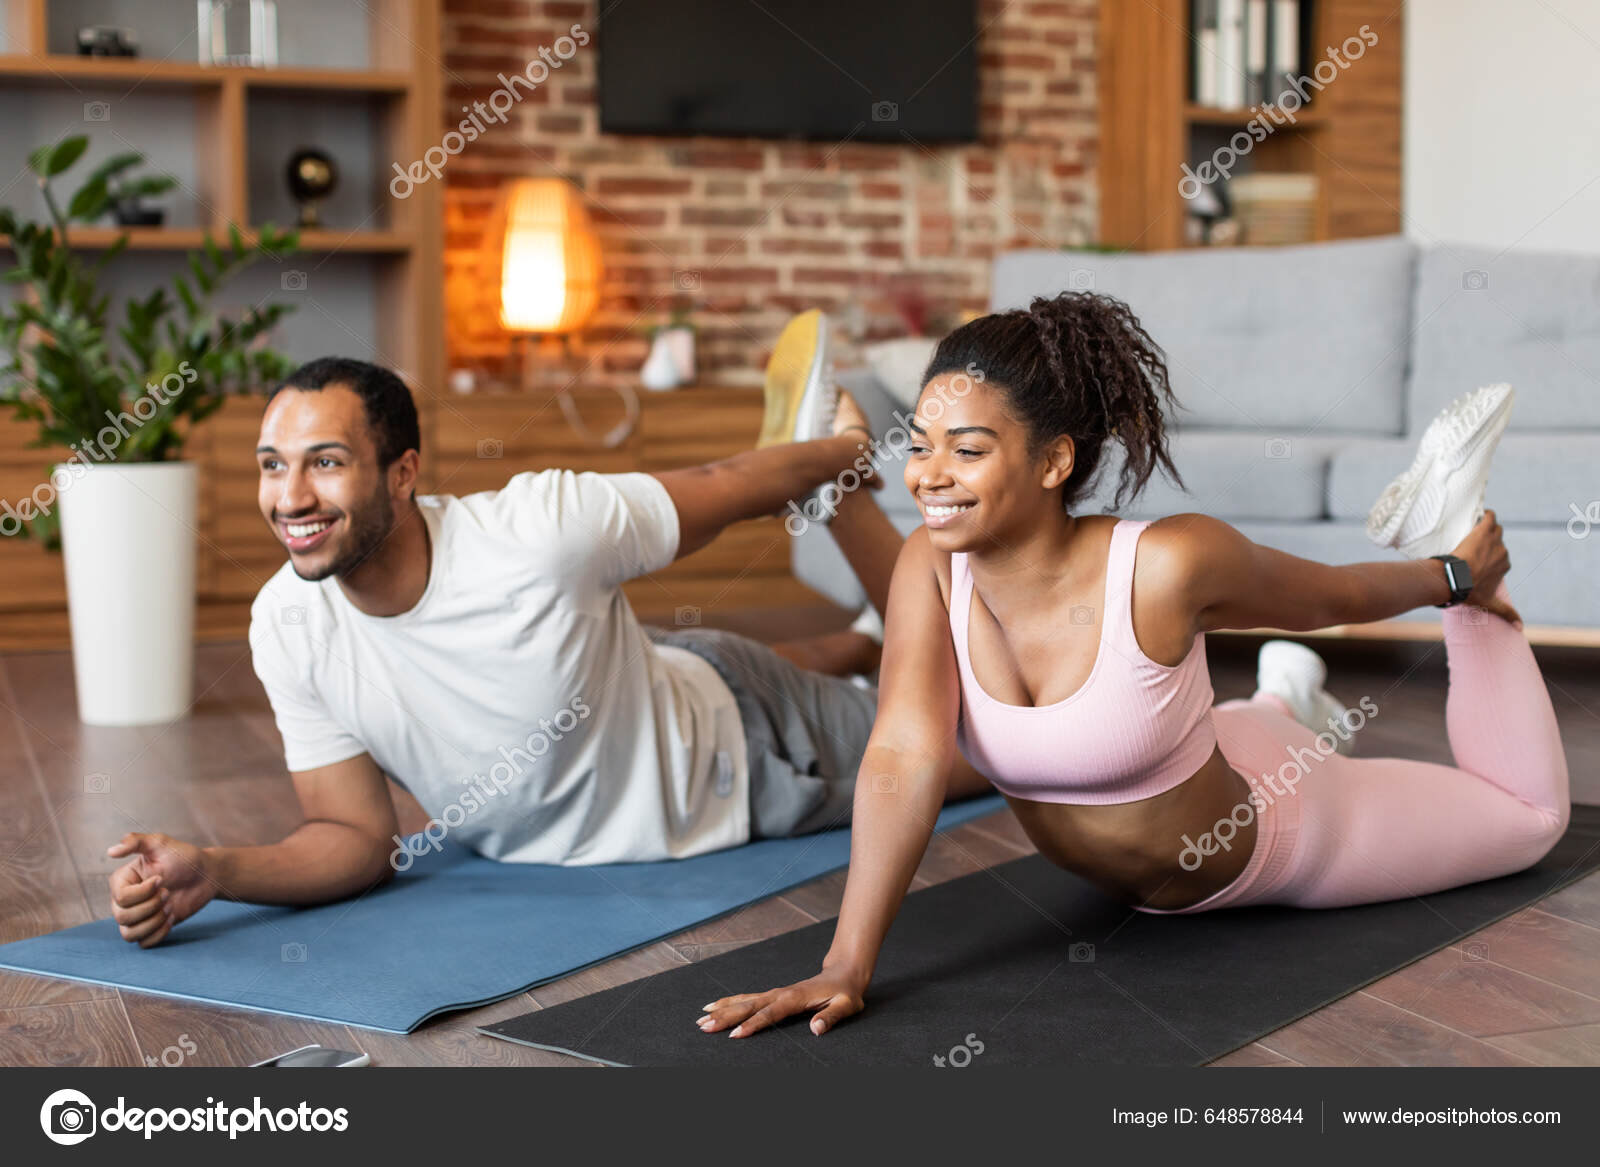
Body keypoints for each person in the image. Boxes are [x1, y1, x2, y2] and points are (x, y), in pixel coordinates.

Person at [696, 292, 1570, 1041]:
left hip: (1286, 829)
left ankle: (1439, 536)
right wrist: (845, 964)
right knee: (1247, 721)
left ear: (1054, 460)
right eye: (918, 444)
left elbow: (1323, 597)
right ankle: (1283, 692)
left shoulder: (1166, 564)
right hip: (1209, 753)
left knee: (1532, 820)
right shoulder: (932, 567)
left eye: (966, 449)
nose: (930, 475)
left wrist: (1454, 577)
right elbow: (902, 753)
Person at [105, 314, 992, 948]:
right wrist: (219, 869)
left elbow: (725, 481)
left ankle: (888, 619)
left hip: (745, 746)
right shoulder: (286, 622)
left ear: (403, 471)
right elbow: (353, 835)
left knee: (977, 742)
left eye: (326, 463)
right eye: (274, 466)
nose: (289, 497)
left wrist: (841, 458)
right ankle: (870, 634)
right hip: (635, 677)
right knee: (689, 659)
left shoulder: (536, 531)